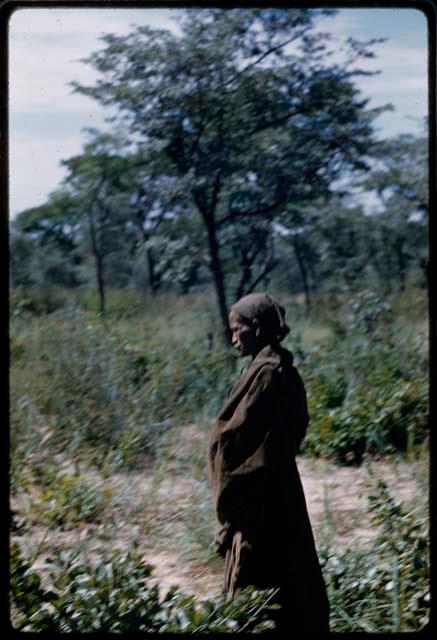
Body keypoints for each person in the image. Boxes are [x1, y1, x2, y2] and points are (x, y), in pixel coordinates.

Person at [206, 292, 330, 632]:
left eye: (237, 329)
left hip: (262, 496)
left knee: (260, 583)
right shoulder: (279, 369)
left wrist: (231, 495)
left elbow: (237, 442)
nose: (232, 338)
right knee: (289, 577)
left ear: (257, 328)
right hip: (276, 490)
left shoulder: (269, 374)